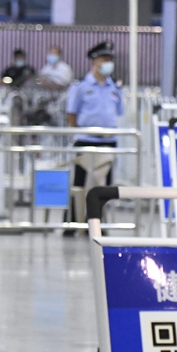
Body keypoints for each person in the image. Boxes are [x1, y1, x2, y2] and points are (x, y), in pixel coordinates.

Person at [65, 41, 123, 232]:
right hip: (86, 141)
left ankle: (100, 224)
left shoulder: (114, 87)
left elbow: (118, 112)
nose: (108, 63)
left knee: (104, 185)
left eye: (110, 59)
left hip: (108, 141)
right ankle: (73, 223)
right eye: (104, 59)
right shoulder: (81, 86)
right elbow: (71, 114)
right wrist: (81, 131)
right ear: (95, 61)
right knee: (79, 185)